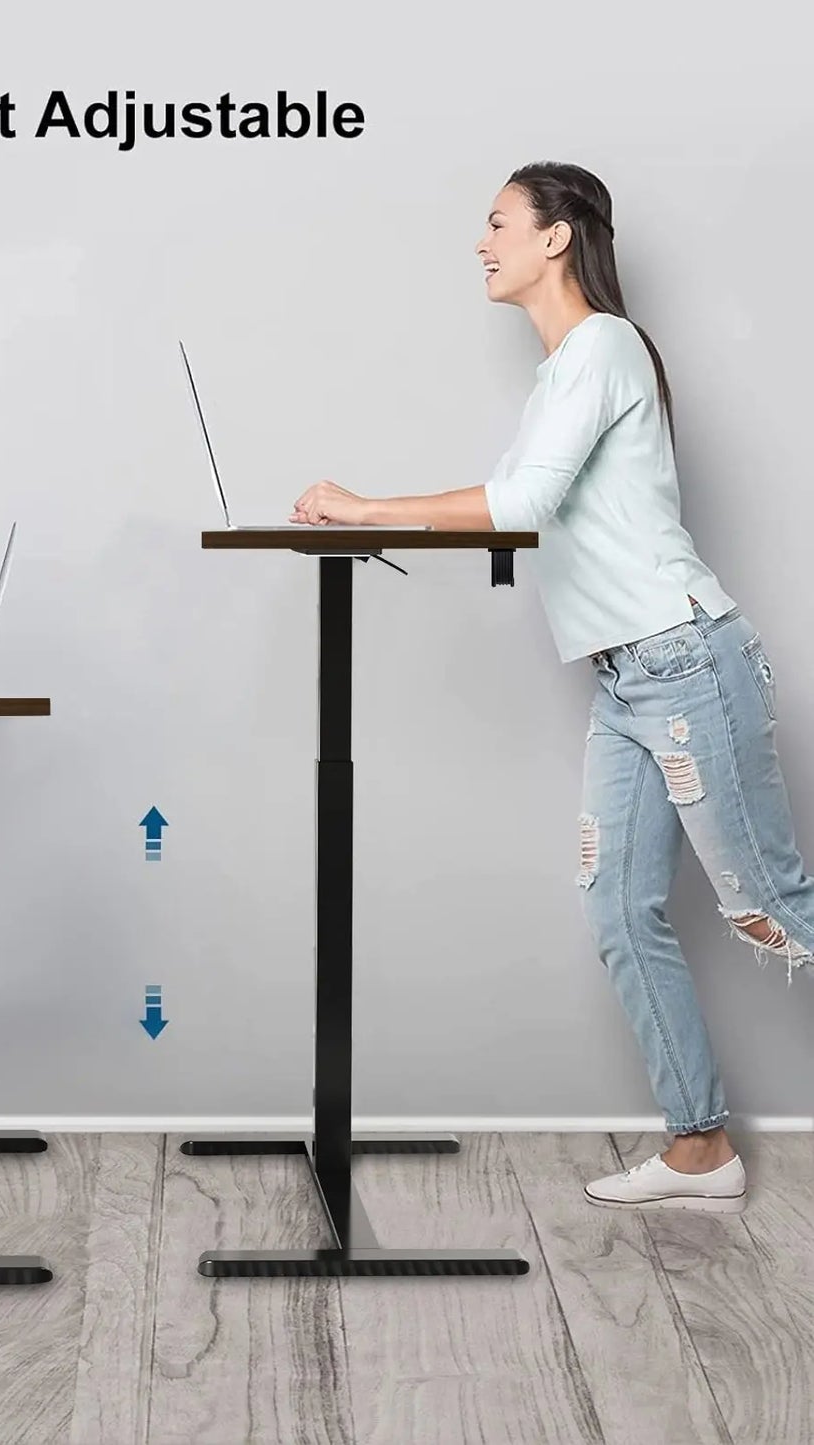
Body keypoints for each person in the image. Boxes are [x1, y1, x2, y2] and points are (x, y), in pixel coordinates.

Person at [290, 161, 812, 1214]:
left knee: (771, 908)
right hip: (627, 677)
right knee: (618, 906)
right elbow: (529, 504)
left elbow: (520, 503)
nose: (479, 243)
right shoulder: (564, 371)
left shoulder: (601, 348)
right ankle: (698, 1146)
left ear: (554, 238)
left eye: (495, 223)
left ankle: (700, 1142)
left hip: (681, 657)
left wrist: (362, 506)